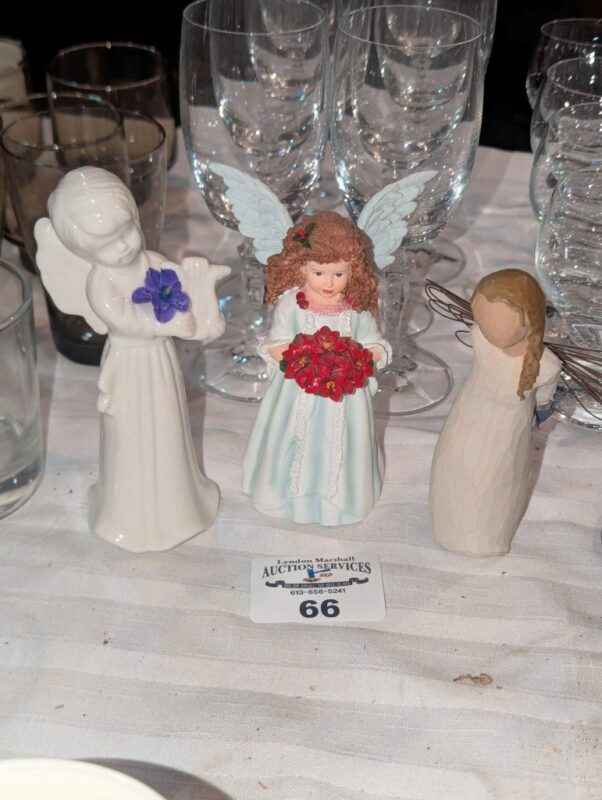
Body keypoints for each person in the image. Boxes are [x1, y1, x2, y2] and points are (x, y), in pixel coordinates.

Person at [35, 167, 229, 551]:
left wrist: (196, 279)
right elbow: (131, 322)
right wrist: (171, 320)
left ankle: (180, 509)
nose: (123, 247)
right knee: (131, 436)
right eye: (106, 245)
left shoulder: (150, 260)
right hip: (130, 366)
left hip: (159, 363)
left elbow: (180, 291)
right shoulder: (100, 283)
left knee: (167, 425)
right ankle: (126, 516)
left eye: (126, 232)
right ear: (83, 252)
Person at [243, 211, 391, 526]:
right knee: (294, 439)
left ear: (353, 271)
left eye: (339, 274)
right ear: (301, 268)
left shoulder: (356, 309)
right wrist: (299, 356)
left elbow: (374, 343)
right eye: (319, 272)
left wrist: (362, 357)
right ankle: (288, 495)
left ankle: (338, 500)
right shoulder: (291, 304)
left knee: (340, 446)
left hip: (345, 396)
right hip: (298, 393)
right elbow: (276, 341)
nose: (329, 282)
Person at [429, 268, 561, 556]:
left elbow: (544, 404)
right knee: (459, 475)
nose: (486, 328)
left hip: (500, 434)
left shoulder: (545, 366)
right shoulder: (484, 340)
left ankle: (484, 538)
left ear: (528, 320)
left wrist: (541, 414)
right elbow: (544, 405)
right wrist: (542, 414)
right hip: (468, 425)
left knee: (493, 484)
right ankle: (452, 528)